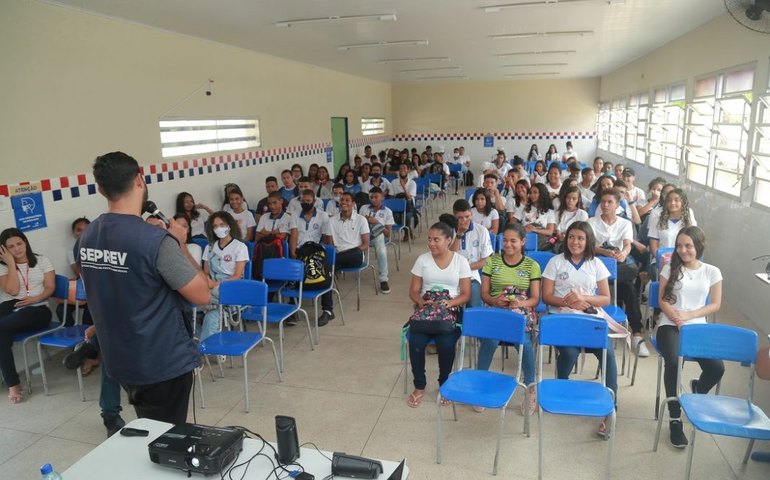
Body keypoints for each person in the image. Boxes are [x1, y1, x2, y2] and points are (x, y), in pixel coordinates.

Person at [76, 151, 210, 424]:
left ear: (100, 189)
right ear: (140, 180)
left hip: (120, 358)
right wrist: (180, 244)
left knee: (149, 426)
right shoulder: (154, 240)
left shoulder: (86, 237)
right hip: (161, 360)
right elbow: (202, 294)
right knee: (167, 437)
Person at [541, 221, 617, 434]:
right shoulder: (556, 262)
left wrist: (584, 299)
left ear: (588, 241)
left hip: (588, 318)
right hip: (561, 317)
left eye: (581, 238)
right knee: (569, 352)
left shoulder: (596, 263)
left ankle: (612, 407)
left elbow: (605, 298)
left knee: (608, 352)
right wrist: (569, 303)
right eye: (572, 237)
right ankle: (561, 386)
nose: (575, 242)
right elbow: (546, 296)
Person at [657, 226, 723, 448]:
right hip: (669, 325)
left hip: (696, 326)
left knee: (716, 368)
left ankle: (697, 391)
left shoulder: (712, 271)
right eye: (679, 245)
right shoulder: (669, 267)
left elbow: (715, 304)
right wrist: (677, 318)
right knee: (674, 362)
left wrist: (689, 315)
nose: (683, 250)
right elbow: (662, 300)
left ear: (699, 247)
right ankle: (675, 419)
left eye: (688, 246)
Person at [477, 223, 540, 414]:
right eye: (505, 240)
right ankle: (480, 384)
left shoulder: (532, 265)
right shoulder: (492, 262)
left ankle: (530, 388)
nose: (508, 244)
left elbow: (535, 299)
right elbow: (484, 294)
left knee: (524, 342)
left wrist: (520, 304)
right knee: (490, 340)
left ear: (523, 242)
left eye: (513, 240)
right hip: (496, 309)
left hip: (521, 311)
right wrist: (496, 301)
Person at [407, 222, 471, 408]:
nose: (431, 243)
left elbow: (466, 294)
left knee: (446, 343)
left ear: (448, 240)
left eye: (436, 239)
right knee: (416, 342)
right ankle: (419, 386)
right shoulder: (422, 260)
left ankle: (444, 383)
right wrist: (421, 302)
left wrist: (450, 303)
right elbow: (413, 291)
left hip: (450, 310)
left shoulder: (460, 261)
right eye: (429, 239)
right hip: (427, 309)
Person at [0, 228, 55, 404]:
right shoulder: (2, 267)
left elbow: (50, 287)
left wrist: (35, 299)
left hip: (37, 308)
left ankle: (12, 384)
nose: (17, 249)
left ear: (25, 242)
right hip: (10, 307)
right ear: (4, 249)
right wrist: (10, 264)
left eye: (19, 243)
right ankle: (13, 384)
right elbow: (13, 291)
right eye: (11, 247)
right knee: (1, 336)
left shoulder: (41, 260)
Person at [588, 189, 646, 355]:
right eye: (603, 202)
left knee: (629, 289)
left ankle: (637, 333)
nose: (605, 205)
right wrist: (604, 252)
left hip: (617, 266)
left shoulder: (625, 223)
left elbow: (627, 244)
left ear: (617, 205)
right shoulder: (591, 222)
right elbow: (589, 246)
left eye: (609, 202)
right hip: (596, 266)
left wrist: (623, 254)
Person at [319, 192, 370, 326]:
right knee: (327, 270)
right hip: (338, 256)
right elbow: (330, 245)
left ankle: (330, 266)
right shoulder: (331, 221)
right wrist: (336, 253)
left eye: (347, 200)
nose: (344, 202)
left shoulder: (361, 220)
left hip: (355, 255)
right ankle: (327, 310)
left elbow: (365, 245)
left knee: (330, 263)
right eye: (342, 200)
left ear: (353, 204)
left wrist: (346, 252)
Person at [199, 212, 248, 342]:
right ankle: (209, 303)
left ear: (229, 225)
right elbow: (206, 273)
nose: (218, 228)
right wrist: (208, 282)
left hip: (231, 287)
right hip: (212, 286)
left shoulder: (240, 247)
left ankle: (209, 303)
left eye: (222, 224)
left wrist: (215, 284)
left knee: (209, 313)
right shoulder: (209, 247)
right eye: (215, 226)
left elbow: (237, 276)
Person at [452, 199, 494, 309]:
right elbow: (448, 256)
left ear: (471, 214)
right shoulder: (449, 230)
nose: (464, 220)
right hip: (451, 274)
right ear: (455, 216)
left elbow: (486, 260)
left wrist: (465, 268)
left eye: (467, 216)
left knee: (474, 298)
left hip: (472, 275)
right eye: (460, 218)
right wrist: (459, 234)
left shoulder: (481, 230)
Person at [358, 187, 393, 294]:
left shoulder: (387, 211)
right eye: (371, 197)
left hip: (378, 237)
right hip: (363, 236)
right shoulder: (364, 208)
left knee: (381, 248)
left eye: (376, 197)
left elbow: (388, 234)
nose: (373, 199)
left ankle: (383, 279)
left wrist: (377, 222)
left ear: (382, 197)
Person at [648, 188, 697, 262]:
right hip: (661, 260)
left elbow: (694, 243)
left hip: (684, 260)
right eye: (669, 200)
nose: (672, 203)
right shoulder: (657, 220)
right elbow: (654, 246)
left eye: (676, 200)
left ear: (683, 202)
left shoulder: (689, 221)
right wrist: (661, 261)